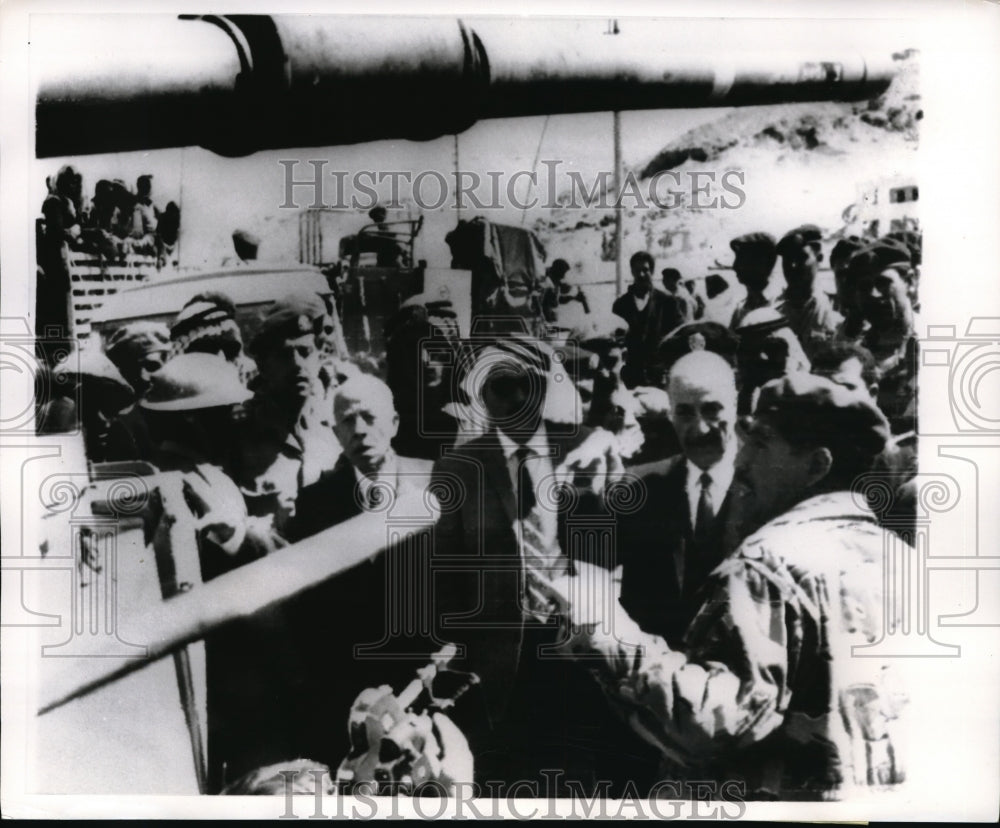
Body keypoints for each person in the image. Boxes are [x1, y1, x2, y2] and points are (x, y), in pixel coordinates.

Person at [564, 372, 907, 800]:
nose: (741, 462)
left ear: (817, 466)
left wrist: (602, 626)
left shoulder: (770, 565)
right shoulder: (902, 560)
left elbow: (710, 727)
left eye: (761, 445)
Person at [430, 336, 646, 795]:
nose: (514, 399)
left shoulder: (586, 446)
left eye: (525, 386)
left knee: (576, 779)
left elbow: (627, 540)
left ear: (544, 386)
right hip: (498, 662)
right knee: (504, 778)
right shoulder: (459, 467)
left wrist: (611, 469)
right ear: (482, 394)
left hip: (577, 646)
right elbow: (446, 574)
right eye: (500, 388)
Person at [282, 375, 435, 765]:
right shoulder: (316, 502)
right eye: (348, 421)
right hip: (350, 688)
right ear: (335, 431)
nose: (360, 430)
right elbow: (308, 604)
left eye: (370, 417)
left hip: (429, 676)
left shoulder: (438, 482)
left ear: (396, 423)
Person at [618, 351, 745, 648]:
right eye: (686, 413)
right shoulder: (638, 487)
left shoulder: (769, 486)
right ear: (670, 412)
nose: (700, 428)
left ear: (736, 404)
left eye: (712, 409)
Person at [233, 296, 342, 536]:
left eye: (305, 352)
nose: (297, 364)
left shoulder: (340, 419)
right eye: (284, 355)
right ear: (263, 366)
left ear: (319, 356)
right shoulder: (239, 431)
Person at [775, 224, 843, 359]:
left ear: (819, 259)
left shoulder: (836, 307)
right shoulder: (772, 310)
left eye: (801, 258)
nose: (793, 265)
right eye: (788, 259)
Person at [612, 251, 677, 388]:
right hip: (630, 377)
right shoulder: (621, 304)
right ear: (632, 272)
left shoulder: (666, 301)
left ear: (652, 271)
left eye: (645, 270)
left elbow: (677, 334)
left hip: (659, 378)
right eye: (637, 270)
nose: (641, 274)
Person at [728, 232, 778, 329]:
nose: (735, 266)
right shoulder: (741, 307)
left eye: (742, 258)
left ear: (763, 263)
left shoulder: (778, 304)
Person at [540, 258, 591, 324]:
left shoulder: (554, 283)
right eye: (563, 275)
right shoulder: (548, 284)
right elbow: (550, 303)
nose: (564, 277)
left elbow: (559, 299)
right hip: (539, 317)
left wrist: (574, 298)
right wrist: (549, 319)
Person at [658, 267, 695, 331]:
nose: (663, 281)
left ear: (672, 280)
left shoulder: (678, 297)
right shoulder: (685, 292)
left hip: (682, 332)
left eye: (665, 279)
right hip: (689, 328)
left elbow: (680, 321)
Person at [130, 174, 158, 256]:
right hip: (141, 242)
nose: (153, 189)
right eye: (151, 186)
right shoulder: (139, 205)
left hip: (146, 240)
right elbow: (138, 232)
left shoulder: (150, 205)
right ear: (148, 188)